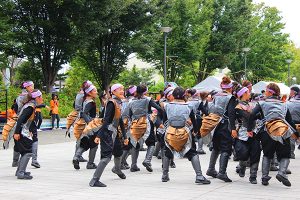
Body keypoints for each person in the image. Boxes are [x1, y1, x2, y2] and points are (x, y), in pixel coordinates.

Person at [247, 83, 299, 187]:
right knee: (285, 154)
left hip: (267, 131)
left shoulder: (262, 103)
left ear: (270, 92)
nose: (265, 92)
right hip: (283, 131)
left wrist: (249, 129)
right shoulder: (284, 104)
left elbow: (252, 114)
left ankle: (264, 177)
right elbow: (289, 121)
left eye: (266, 91)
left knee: (267, 154)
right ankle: (282, 173)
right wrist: (297, 134)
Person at [161, 87, 210, 184]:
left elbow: (164, 120)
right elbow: (194, 120)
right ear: (184, 95)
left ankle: (165, 175)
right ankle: (199, 176)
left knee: (168, 151)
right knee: (192, 152)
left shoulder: (167, 106)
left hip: (170, 132)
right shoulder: (188, 106)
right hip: (184, 132)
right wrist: (195, 131)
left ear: (173, 95)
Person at [89, 83, 128, 187]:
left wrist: (125, 136)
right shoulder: (111, 102)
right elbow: (106, 120)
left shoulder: (118, 103)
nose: (122, 91)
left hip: (114, 132)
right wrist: (99, 135)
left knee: (118, 152)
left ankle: (117, 169)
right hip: (107, 133)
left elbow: (119, 120)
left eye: (123, 89)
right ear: (113, 91)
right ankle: (94, 180)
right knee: (106, 157)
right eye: (119, 89)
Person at [205, 76, 237, 182]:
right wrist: (233, 128)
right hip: (226, 125)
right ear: (230, 87)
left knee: (216, 147)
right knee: (226, 148)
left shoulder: (216, 96)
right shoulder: (230, 98)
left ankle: (211, 169)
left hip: (216, 124)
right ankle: (222, 173)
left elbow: (210, 109)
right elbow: (231, 114)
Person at [125, 84, 163, 172]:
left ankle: (133, 165)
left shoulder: (131, 101)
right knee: (151, 143)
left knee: (135, 144)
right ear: (145, 91)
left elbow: (128, 114)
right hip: (146, 123)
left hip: (135, 124)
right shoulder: (148, 99)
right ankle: (147, 160)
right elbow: (159, 108)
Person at [232, 86, 261, 184]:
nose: (250, 93)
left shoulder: (252, 104)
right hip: (243, 133)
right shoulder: (238, 107)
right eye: (248, 92)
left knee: (256, 153)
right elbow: (248, 117)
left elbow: (259, 116)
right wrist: (255, 114)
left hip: (255, 132)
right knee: (243, 153)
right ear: (243, 94)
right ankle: (242, 166)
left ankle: (253, 176)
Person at [13, 89, 43, 179]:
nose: (42, 98)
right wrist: (17, 133)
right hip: (21, 132)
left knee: (24, 152)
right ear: (37, 97)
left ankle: (20, 171)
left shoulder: (30, 105)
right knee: (28, 152)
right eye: (40, 96)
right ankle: (21, 173)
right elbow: (20, 119)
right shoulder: (30, 107)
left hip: (23, 131)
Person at [73, 84, 99, 170]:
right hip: (90, 124)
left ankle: (76, 157)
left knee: (85, 143)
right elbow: (84, 113)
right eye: (95, 91)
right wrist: (90, 123)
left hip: (84, 124)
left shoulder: (85, 100)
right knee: (94, 144)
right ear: (89, 93)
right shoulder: (91, 102)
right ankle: (90, 164)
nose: (97, 92)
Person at [287, 86, 300, 159]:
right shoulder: (290, 101)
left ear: (294, 92)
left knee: (292, 137)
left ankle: (291, 153)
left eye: (290, 92)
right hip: (295, 121)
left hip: (292, 122)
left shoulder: (289, 101)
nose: (289, 93)